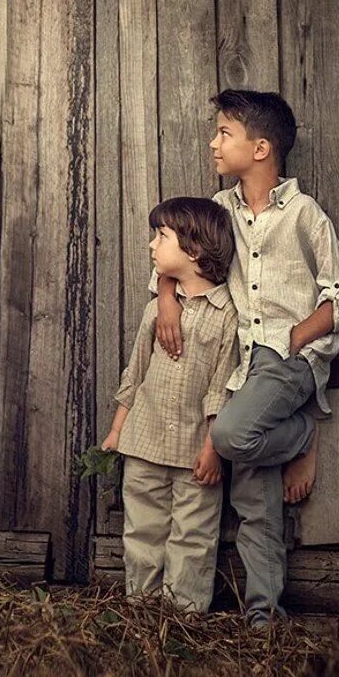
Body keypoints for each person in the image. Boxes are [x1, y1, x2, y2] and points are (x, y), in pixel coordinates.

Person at [153, 89, 339, 627]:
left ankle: (301, 434)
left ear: (262, 147)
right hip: (240, 368)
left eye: (225, 132)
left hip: (288, 364)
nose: (213, 142)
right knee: (254, 499)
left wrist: (297, 337)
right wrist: (166, 298)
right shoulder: (219, 211)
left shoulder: (302, 215)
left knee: (229, 437)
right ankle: (264, 616)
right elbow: (178, 255)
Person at [103, 196, 239, 613]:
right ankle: (141, 610)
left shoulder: (227, 318)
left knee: (193, 536)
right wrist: (116, 430)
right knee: (143, 530)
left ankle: (183, 618)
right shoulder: (155, 312)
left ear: (194, 250)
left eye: (161, 237)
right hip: (144, 443)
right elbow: (135, 373)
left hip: (196, 454)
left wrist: (212, 450)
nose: (151, 245)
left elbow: (222, 389)